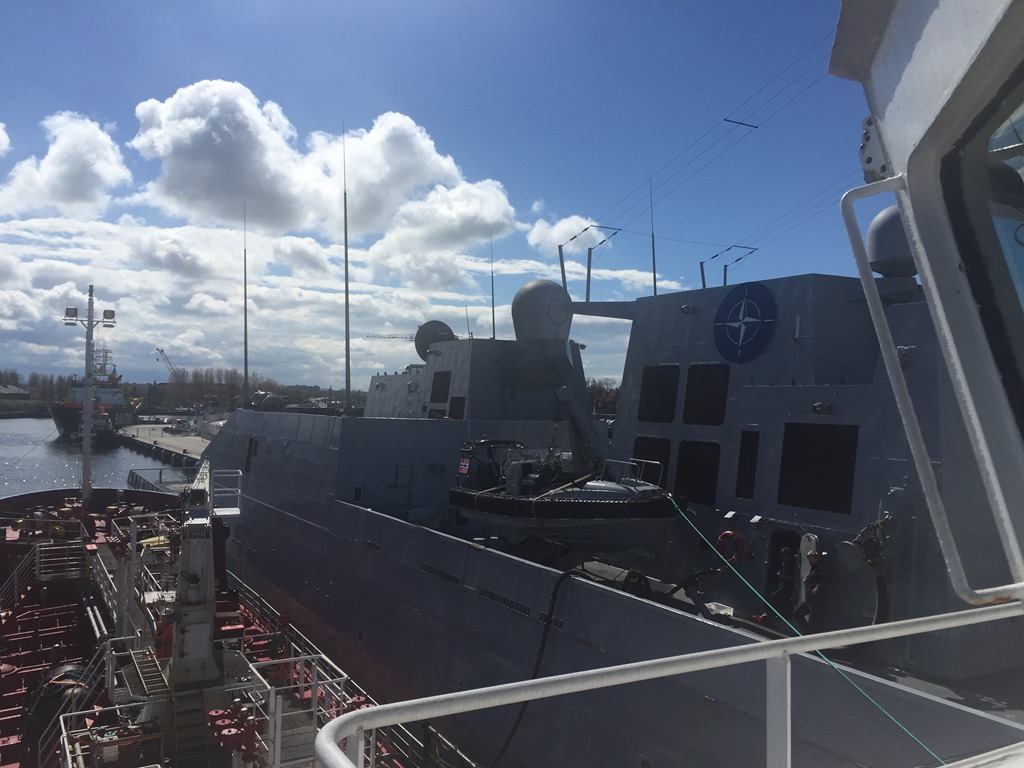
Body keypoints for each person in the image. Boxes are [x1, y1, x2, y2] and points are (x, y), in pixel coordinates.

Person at [793, 550, 827, 632]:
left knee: (815, 624)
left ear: (816, 559)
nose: (809, 561)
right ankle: (808, 633)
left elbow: (828, 579)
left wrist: (818, 587)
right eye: (809, 560)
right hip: (809, 601)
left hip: (816, 602)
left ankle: (812, 636)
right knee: (797, 614)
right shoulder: (813, 569)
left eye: (811, 559)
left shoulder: (820, 569)